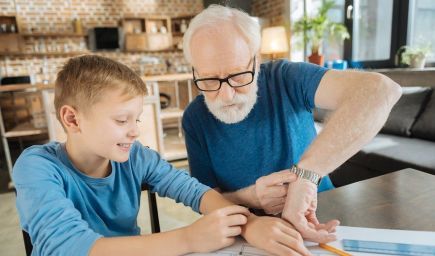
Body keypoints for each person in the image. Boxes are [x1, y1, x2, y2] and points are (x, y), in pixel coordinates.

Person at [13, 55, 312, 256]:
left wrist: (250, 223)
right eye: (121, 121)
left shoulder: (136, 157)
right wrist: (188, 238)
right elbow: (69, 247)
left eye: (136, 120)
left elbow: (194, 192)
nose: (134, 132)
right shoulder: (37, 166)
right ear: (73, 119)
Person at [182, 4, 402, 243]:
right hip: (249, 231)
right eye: (209, 80)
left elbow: (381, 91)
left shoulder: (286, 77)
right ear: (195, 72)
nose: (226, 96)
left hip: (323, 215)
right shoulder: (194, 118)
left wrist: (307, 176)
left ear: (256, 62)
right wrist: (250, 197)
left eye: (237, 76)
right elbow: (204, 199)